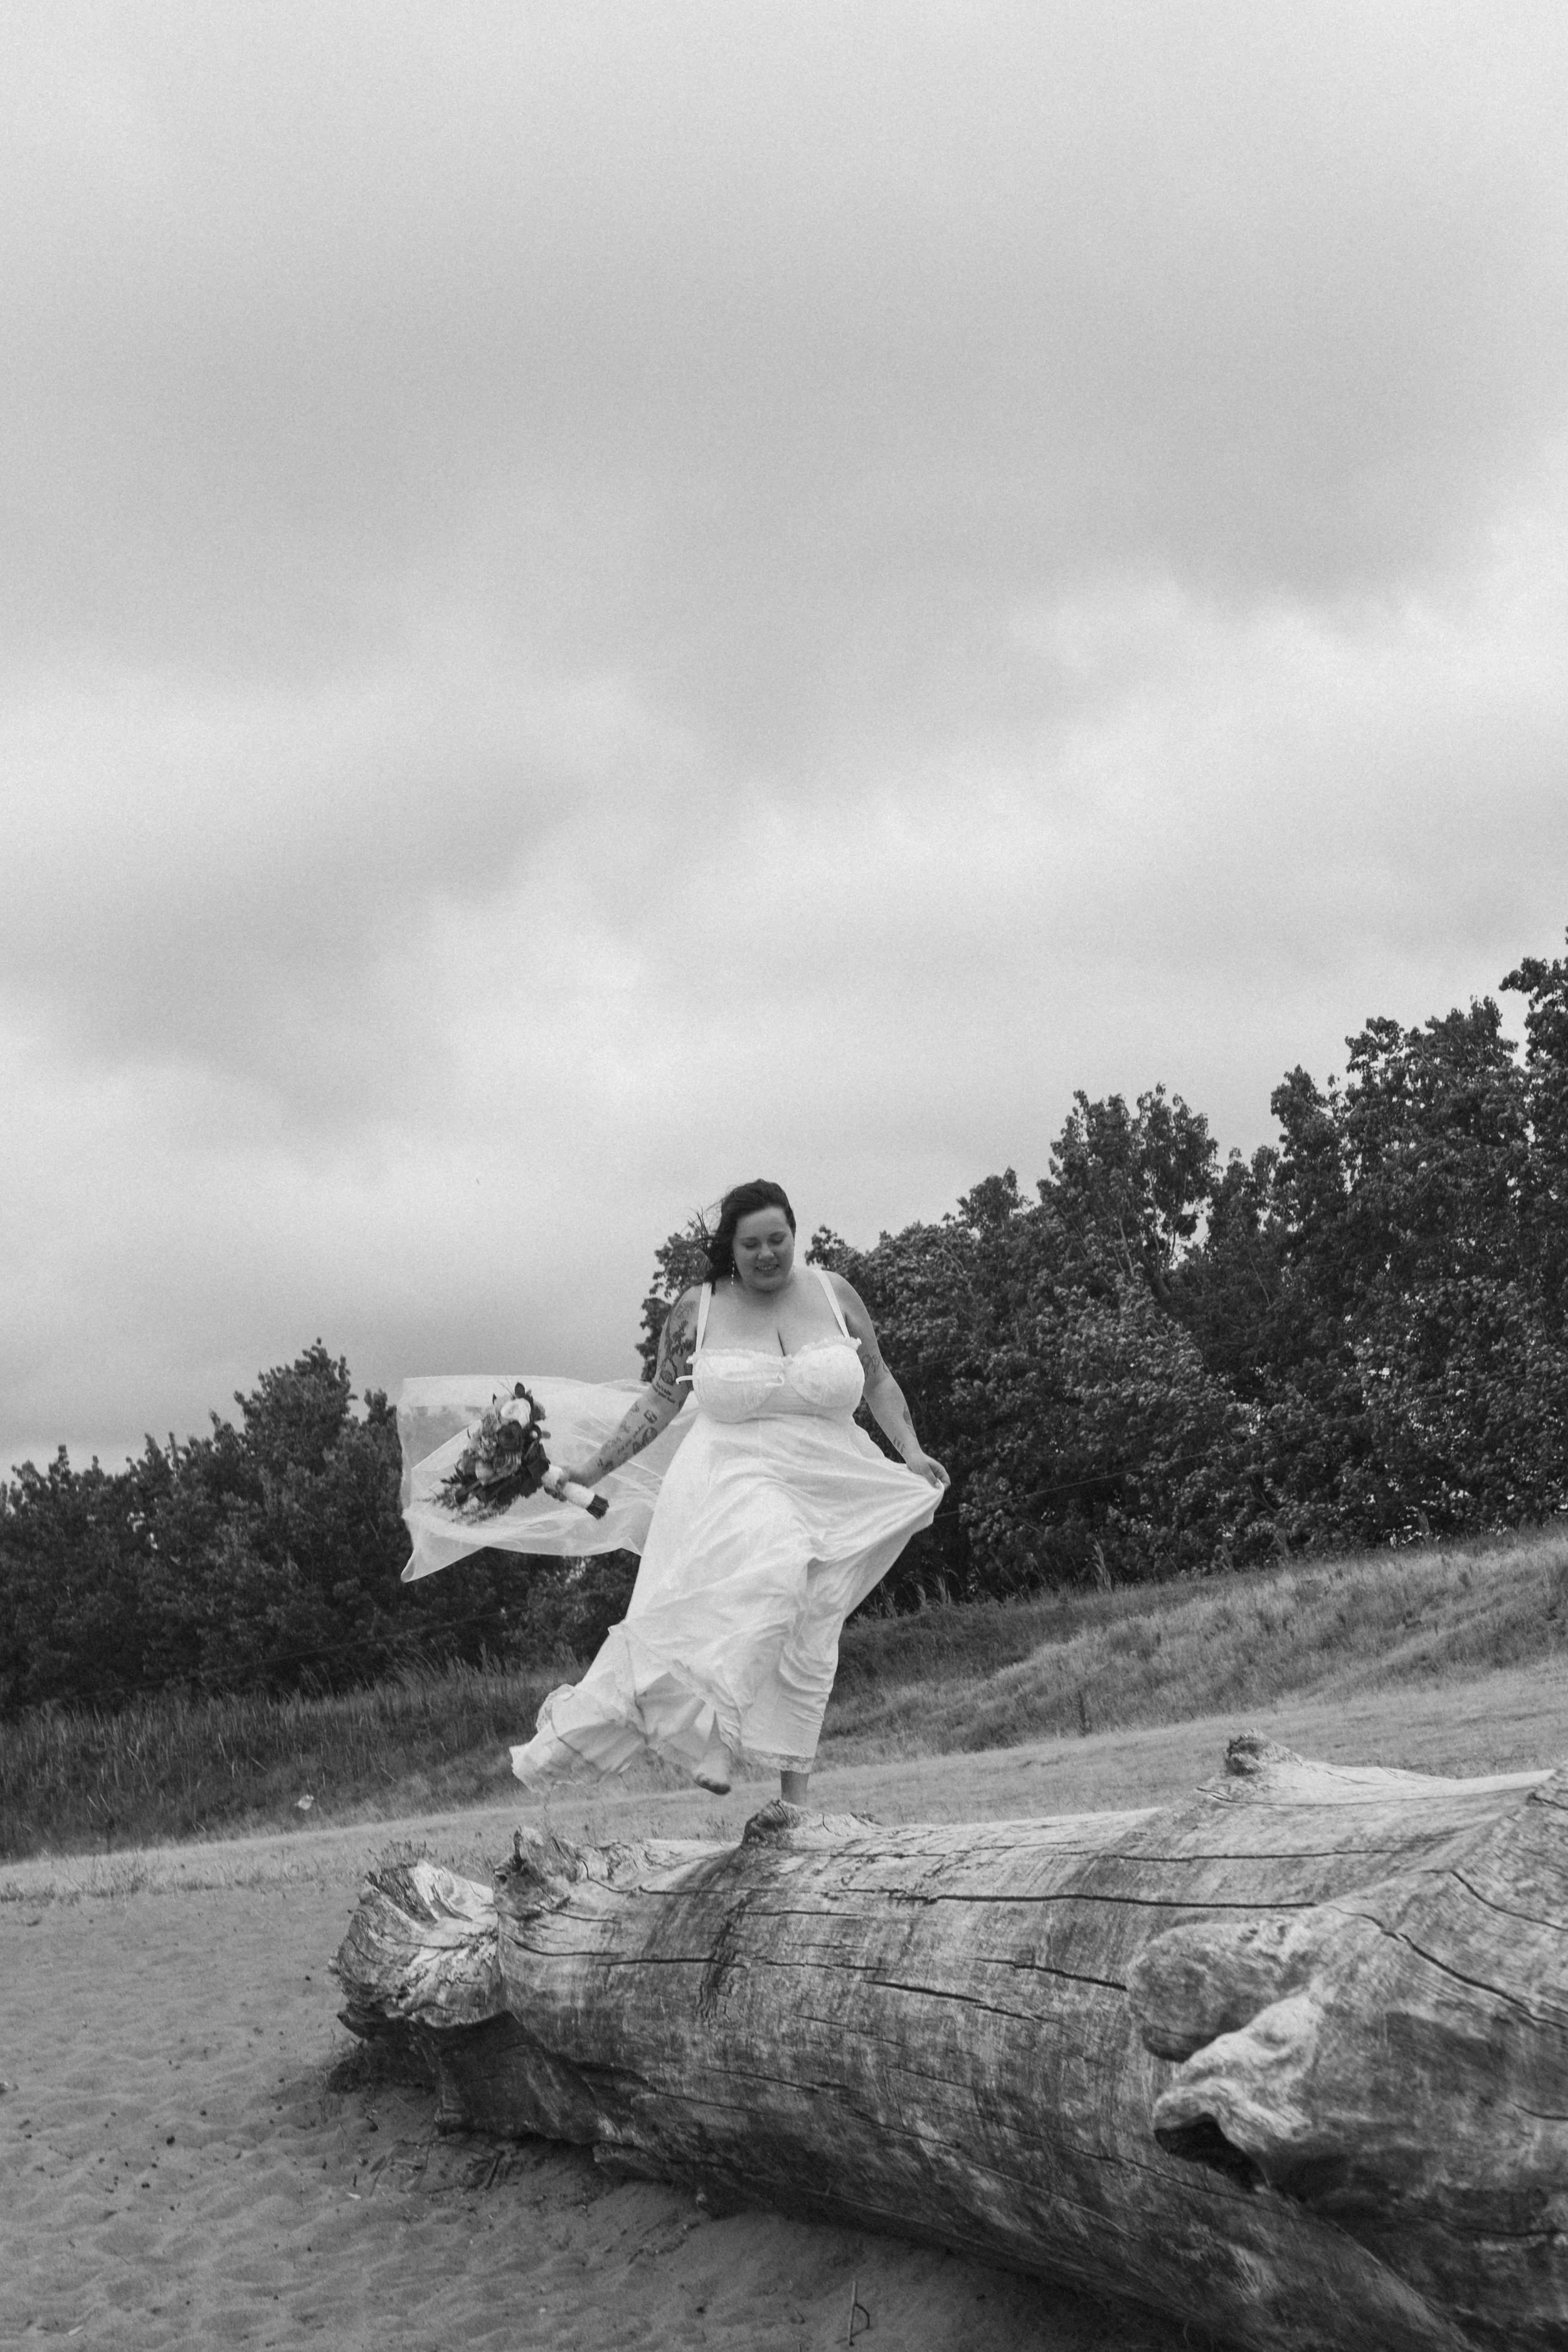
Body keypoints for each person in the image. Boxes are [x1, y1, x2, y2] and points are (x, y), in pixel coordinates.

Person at [510, 1178, 948, 1803]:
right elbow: (661, 1398)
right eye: (752, 1245)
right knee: (776, 1568)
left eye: (778, 1240)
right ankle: (721, 1738)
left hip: (831, 1475)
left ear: (794, 1234)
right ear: (730, 1248)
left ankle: (794, 1807)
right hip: (733, 1473)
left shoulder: (833, 1292)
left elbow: (877, 1379)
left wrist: (910, 1452)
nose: (767, 1254)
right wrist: (591, 1470)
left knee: (810, 1625)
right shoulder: (700, 1307)